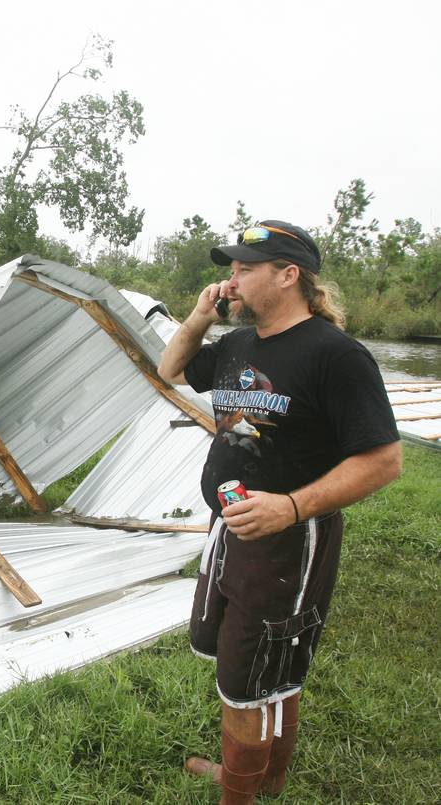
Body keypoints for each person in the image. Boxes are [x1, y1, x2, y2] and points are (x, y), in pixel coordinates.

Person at [156, 220, 402, 804]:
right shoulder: (240, 344)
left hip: (290, 542)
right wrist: (198, 318)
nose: (230, 280)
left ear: (288, 276)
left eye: (244, 269)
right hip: (232, 529)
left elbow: (384, 461)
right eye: (231, 269)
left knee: (249, 675)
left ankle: (239, 793)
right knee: (262, 666)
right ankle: (261, 777)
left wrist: (291, 507)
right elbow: (170, 369)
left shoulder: (336, 355)